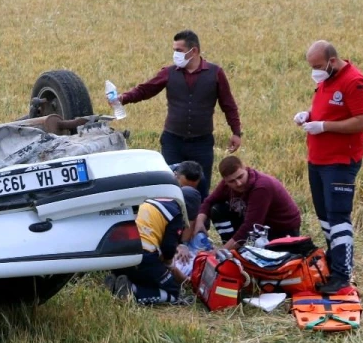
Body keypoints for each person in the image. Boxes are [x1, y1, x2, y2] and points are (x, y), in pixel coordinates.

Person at [119, 30, 243, 196]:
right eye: (174, 50)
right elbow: (146, 90)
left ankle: (199, 221)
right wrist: (123, 98)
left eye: (179, 50)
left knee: (201, 188)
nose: (175, 54)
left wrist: (236, 131)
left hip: (202, 143)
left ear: (195, 51)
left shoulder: (215, 73)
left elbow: (228, 104)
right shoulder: (169, 73)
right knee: (171, 187)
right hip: (173, 141)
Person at [295, 40, 363, 293]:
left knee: (338, 217)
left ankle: (342, 274)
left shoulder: (354, 82)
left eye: (317, 66)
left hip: (339, 162)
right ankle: (334, 259)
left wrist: (324, 126)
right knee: (324, 215)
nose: (314, 71)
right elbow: (327, 109)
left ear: (331, 60)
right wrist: (309, 116)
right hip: (317, 159)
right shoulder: (325, 79)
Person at [108, 186, 200, 305]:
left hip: (118, 254)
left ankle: (118, 281)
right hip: (143, 256)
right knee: (173, 291)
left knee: (148, 276)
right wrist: (170, 266)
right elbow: (168, 248)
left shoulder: (150, 200)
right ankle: (132, 291)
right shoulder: (175, 213)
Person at [193, 156, 302, 250]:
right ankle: (234, 247)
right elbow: (209, 201)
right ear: (225, 181)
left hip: (282, 228)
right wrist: (199, 221)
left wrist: (222, 251)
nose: (238, 183)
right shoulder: (226, 185)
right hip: (258, 224)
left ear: (246, 169)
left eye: (240, 176)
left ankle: (234, 249)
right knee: (217, 209)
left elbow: (251, 226)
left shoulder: (261, 187)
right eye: (232, 181)